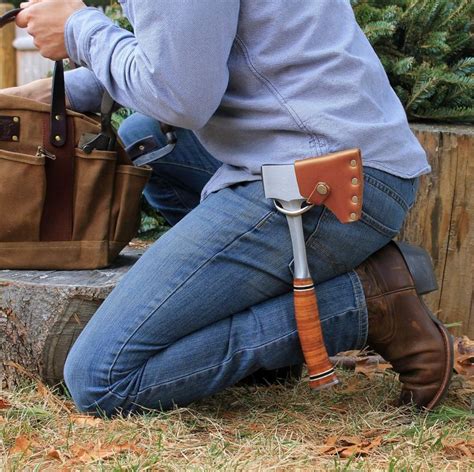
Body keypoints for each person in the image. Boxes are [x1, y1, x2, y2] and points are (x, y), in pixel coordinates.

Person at [4, 0, 453, 416]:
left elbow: (181, 97)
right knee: (149, 137)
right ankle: (265, 337)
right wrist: (65, 91)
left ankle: (367, 302)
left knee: (101, 378)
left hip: (319, 178)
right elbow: (191, 45)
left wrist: (78, 29)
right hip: (343, 152)